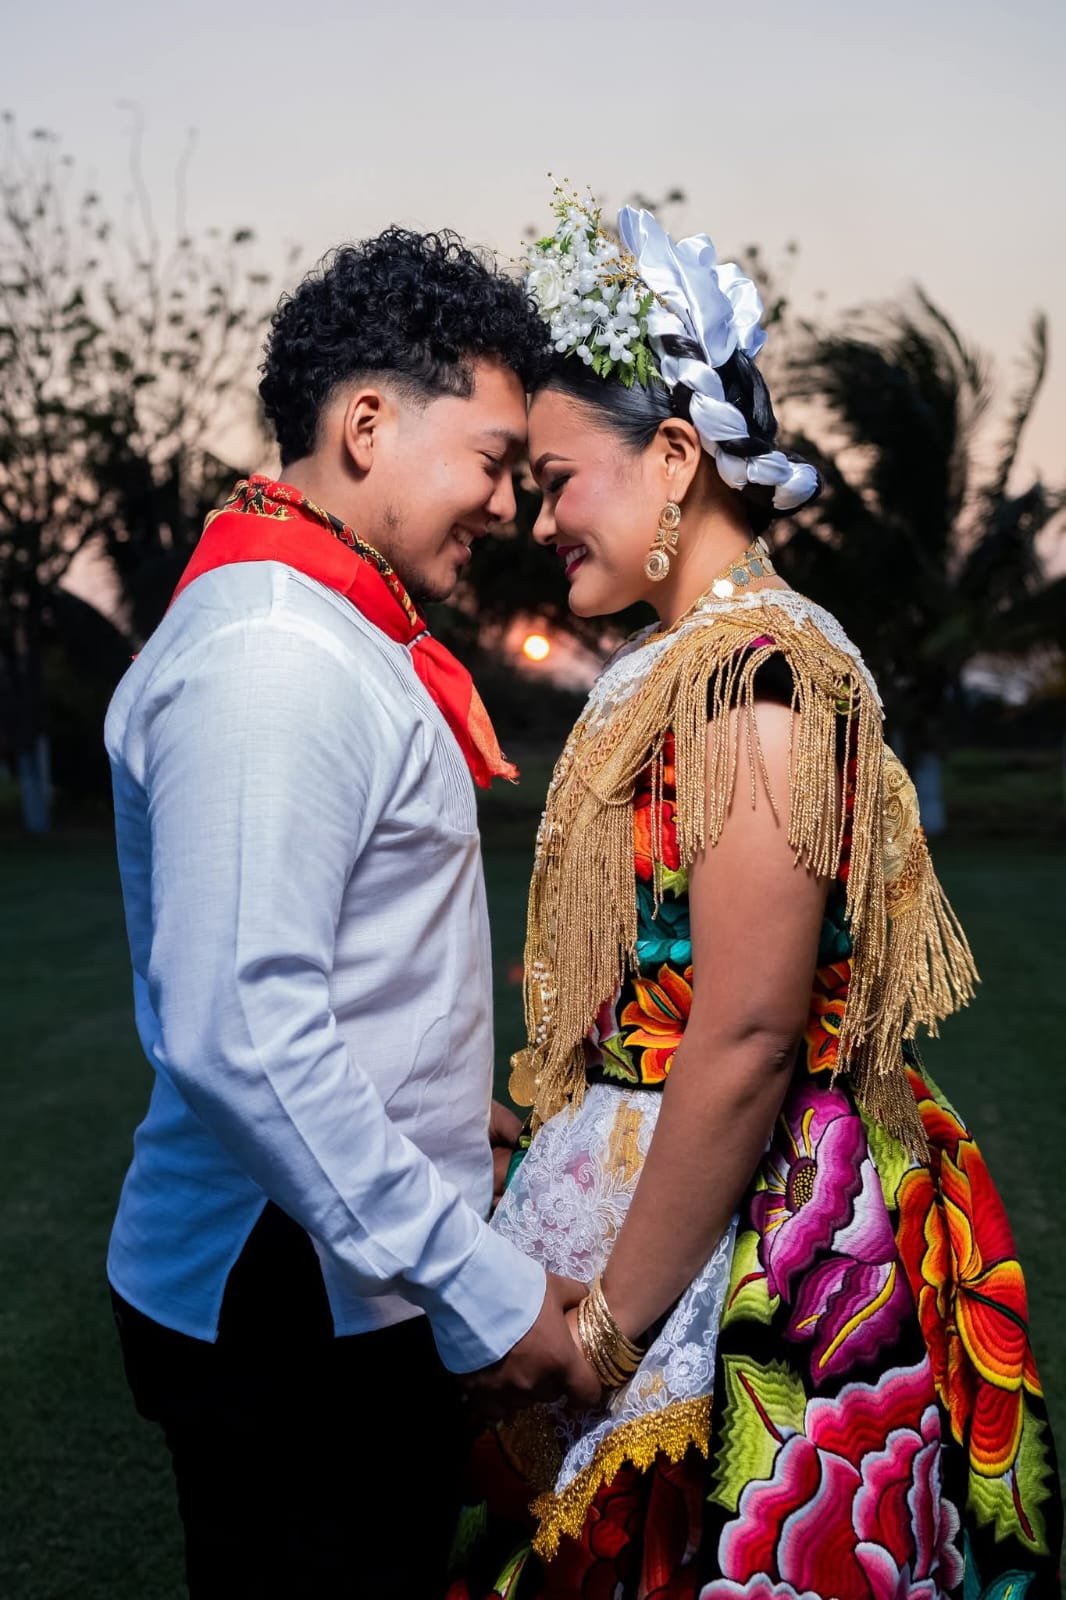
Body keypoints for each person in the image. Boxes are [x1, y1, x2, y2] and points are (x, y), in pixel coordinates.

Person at [450, 191, 1062, 1599]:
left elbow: (740, 1037)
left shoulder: (758, 682)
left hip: (757, 1244)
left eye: (560, 478)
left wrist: (608, 1331)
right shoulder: (698, 665)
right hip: (668, 1188)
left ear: (673, 459)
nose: (540, 517)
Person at [104, 227, 598, 1600]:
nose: (505, 503)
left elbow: (345, 962)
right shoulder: (275, 653)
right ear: (367, 425)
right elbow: (240, 1034)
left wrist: (462, 1115)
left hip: (337, 1276)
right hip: (288, 1304)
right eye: (493, 458)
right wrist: (483, 1291)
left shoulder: (331, 627)